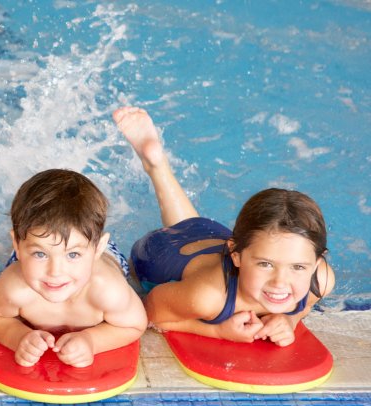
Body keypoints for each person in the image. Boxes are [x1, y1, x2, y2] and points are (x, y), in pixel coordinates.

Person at [114, 106, 335, 347]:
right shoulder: (208, 297)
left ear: (317, 262)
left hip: (210, 235)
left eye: (298, 267)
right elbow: (148, 311)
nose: (280, 282)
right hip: (158, 256)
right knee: (179, 232)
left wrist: (289, 318)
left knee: (190, 225)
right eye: (265, 264)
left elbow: (304, 306)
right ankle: (155, 165)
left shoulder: (321, 280)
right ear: (236, 255)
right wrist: (217, 331)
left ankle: (157, 164)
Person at [0, 169, 147, 368]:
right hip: (43, 249)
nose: (55, 272)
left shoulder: (107, 291)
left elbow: (135, 325)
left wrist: (92, 341)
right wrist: (17, 336)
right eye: (41, 255)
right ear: (16, 244)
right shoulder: (15, 287)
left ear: (98, 248)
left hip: (103, 257)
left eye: (72, 255)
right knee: (37, 246)